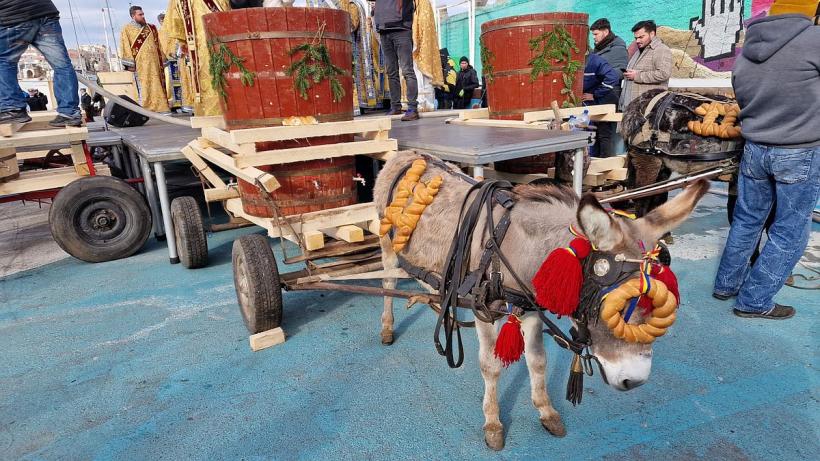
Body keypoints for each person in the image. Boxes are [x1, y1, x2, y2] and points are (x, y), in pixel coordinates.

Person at [712, 9, 820, 320]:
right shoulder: (814, 40)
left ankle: (726, 284)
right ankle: (754, 300)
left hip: (755, 149)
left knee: (747, 220)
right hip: (799, 150)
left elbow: (740, 93)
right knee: (790, 231)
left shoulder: (749, 47)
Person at [0, 0, 83, 127]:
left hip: (13, 16)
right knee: (62, 65)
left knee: (3, 61)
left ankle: (12, 109)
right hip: (45, 12)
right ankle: (70, 113)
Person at [163, 0, 231, 117]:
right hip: (217, 41)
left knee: (209, 77)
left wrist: (182, 42)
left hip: (201, 46)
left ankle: (212, 114)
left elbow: (174, 21)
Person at [374, 0, 419, 121]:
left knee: (407, 70)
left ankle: (412, 108)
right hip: (384, 30)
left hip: (401, 28)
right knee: (391, 72)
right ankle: (395, 106)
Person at [119, 5, 169, 113]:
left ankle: (161, 106)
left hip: (155, 62)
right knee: (144, 86)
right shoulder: (126, 29)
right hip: (140, 64)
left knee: (158, 84)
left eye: (143, 14)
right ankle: (147, 108)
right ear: (133, 16)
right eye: (140, 14)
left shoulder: (151, 28)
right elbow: (125, 46)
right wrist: (130, 64)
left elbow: (158, 44)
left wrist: (163, 59)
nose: (143, 16)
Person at [619, 20, 671, 110]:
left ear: (652, 34)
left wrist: (637, 76)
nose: (637, 41)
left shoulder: (661, 49)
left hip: (648, 108)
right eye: (636, 38)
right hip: (634, 107)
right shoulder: (639, 51)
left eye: (641, 37)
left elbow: (664, 74)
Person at [583, 53, 620, 157]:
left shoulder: (595, 61)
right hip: (590, 103)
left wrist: (595, 94)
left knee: (603, 134)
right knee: (592, 132)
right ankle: (593, 159)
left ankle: (605, 160)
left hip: (603, 100)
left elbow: (613, 77)